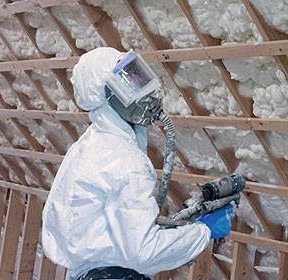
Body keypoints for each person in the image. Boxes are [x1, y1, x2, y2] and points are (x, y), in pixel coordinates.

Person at [41, 47, 234, 280]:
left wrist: (178, 225)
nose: (145, 91)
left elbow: (116, 234)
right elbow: (144, 252)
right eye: (130, 82)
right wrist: (204, 231)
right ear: (109, 97)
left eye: (138, 76)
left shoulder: (90, 145)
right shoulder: (126, 161)